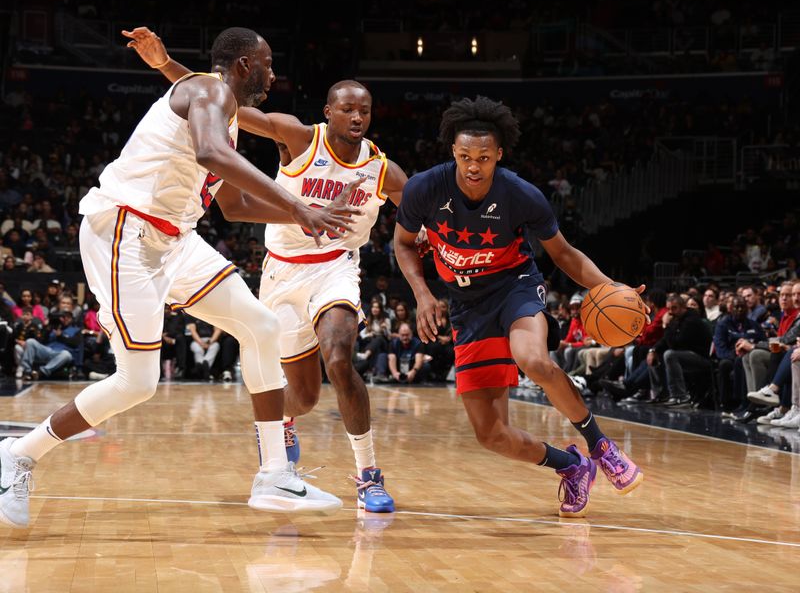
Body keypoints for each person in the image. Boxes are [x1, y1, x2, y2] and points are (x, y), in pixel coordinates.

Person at [0, 27, 359, 529]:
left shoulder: (223, 114)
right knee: (137, 382)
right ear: (241, 67)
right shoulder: (208, 90)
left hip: (174, 239)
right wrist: (298, 204)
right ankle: (18, 453)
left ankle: (275, 475)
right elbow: (213, 156)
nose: (273, 73)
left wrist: (303, 215)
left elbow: (232, 207)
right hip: (125, 230)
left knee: (260, 324)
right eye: (267, 62)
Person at [125, 26, 407, 512]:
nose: (357, 116)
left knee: (339, 358)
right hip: (281, 270)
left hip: (336, 266)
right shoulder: (298, 136)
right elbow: (227, 106)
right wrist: (167, 66)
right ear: (328, 113)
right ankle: (282, 426)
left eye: (364, 109)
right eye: (347, 108)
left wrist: (439, 236)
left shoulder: (381, 169)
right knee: (302, 396)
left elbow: (425, 212)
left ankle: (368, 475)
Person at [393, 96, 644, 517]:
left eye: (484, 158)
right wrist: (422, 294)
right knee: (491, 435)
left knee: (533, 359)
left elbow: (564, 255)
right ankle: (572, 466)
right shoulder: (425, 188)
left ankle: (601, 446)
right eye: (465, 156)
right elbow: (402, 244)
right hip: (467, 306)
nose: (474, 166)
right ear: (452, 152)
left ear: (499, 156)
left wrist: (612, 286)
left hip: (515, 287)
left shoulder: (521, 194)